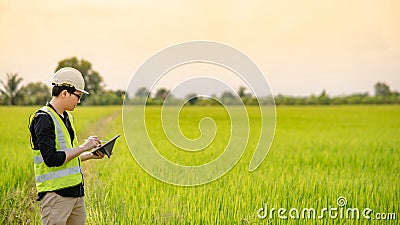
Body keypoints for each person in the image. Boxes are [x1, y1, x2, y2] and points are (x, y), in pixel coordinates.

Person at [29, 67, 105, 225]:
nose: (79, 101)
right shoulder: (43, 119)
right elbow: (52, 159)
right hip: (55, 197)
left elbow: (68, 155)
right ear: (64, 93)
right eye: (78, 96)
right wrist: (84, 147)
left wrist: (91, 154)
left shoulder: (67, 117)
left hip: (76, 194)